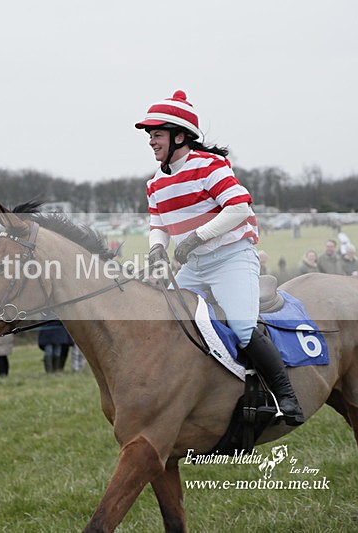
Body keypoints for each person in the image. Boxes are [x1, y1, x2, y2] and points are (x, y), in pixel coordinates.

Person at [137, 89, 304, 425]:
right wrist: (157, 247)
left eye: (157, 135)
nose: (152, 142)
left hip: (232, 259)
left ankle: (287, 398)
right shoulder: (155, 182)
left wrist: (198, 236)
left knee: (242, 328)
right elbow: (158, 224)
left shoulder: (209, 166)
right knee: (170, 325)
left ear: (179, 136)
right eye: (150, 136)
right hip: (194, 268)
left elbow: (239, 207)